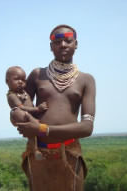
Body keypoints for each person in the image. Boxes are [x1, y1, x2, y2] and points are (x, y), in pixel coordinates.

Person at [15, 25, 96, 191]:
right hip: (39, 154)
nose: (63, 45)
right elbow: (19, 108)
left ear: (76, 44)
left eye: (68, 40)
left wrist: (42, 129)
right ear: (51, 47)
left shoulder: (86, 80)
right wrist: (17, 116)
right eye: (57, 41)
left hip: (70, 154)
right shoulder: (37, 75)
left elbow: (87, 127)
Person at [5, 66, 48, 160]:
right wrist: (38, 109)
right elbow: (21, 107)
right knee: (32, 135)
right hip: (24, 116)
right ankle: (35, 150)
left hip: (31, 115)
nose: (20, 82)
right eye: (16, 79)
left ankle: (44, 144)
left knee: (38, 132)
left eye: (23, 80)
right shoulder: (12, 95)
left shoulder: (23, 92)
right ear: (7, 81)